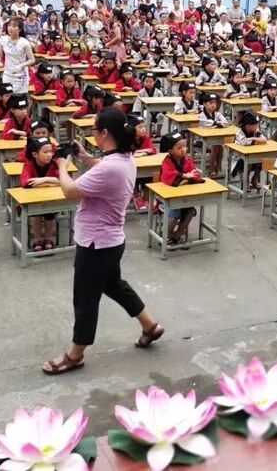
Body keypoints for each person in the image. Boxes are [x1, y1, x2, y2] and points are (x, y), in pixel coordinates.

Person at [41, 108, 163, 376]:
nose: (93, 134)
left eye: (95, 130)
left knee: (85, 298)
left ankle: (75, 354)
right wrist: (86, 158)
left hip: (95, 243)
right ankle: (150, 326)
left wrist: (62, 166)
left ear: (105, 133)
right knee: (114, 285)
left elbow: (69, 190)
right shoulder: (125, 158)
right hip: (111, 240)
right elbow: (105, 167)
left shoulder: (110, 167)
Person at [158, 131, 203, 245]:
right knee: (174, 212)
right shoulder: (166, 162)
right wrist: (184, 176)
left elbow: (195, 175)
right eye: (179, 148)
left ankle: (177, 236)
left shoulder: (187, 160)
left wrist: (184, 179)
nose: (184, 149)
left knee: (190, 211)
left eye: (185, 146)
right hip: (166, 198)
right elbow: (167, 178)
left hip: (184, 197)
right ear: (170, 151)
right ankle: (167, 236)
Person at [0, 17, 36, 94]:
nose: (10, 28)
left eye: (14, 26)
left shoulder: (24, 42)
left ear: (20, 29)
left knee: (19, 98)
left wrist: (21, 66)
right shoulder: (3, 40)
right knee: (7, 96)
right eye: (9, 25)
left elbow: (32, 60)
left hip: (20, 76)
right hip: (7, 74)